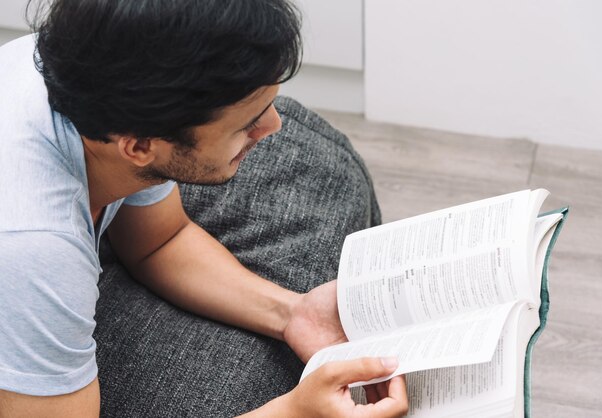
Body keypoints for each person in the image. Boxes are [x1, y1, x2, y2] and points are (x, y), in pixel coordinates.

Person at [0, 0, 409, 417]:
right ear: (140, 146)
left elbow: (159, 240)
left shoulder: (96, 78)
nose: (273, 126)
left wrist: (293, 313)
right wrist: (296, 412)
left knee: (321, 172)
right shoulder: (34, 247)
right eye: (246, 123)